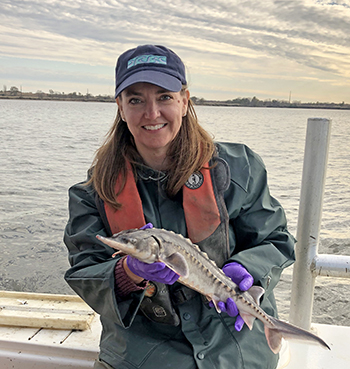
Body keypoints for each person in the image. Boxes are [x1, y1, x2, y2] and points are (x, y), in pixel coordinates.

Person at [63, 44, 296, 369]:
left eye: (164, 97)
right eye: (135, 100)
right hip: (142, 356)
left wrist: (249, 270)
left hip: (237, 350)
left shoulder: (239, 167)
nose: (151, 113)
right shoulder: (91, 193)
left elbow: (277, 240)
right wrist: (127, 273)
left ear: (185, 100)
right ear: (120, 106)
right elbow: (84, 271)